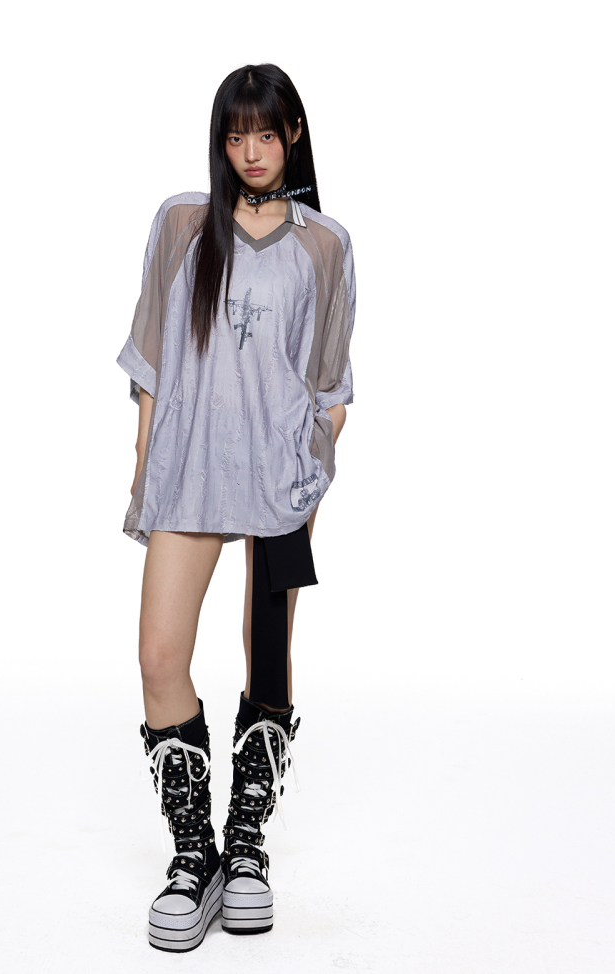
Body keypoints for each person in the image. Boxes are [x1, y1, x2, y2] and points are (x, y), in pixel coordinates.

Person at [115, 62, 356, 952]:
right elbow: (150, 352)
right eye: (235, 134)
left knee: (268, 659)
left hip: (279, 480)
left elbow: (330, 381)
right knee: (159, 654)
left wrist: (313, 465)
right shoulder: (183, 224)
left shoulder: (325, 244)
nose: (251, 151)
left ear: (292, 135)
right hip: (189, 468)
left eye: (266, 133)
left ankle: (247, 846)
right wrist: (144, 461)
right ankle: (196, 853)